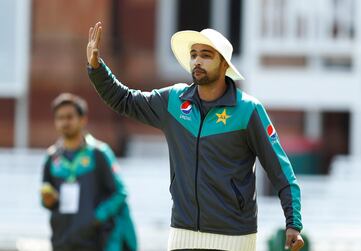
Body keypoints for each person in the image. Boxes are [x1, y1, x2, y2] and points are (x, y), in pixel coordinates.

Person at [86, 22, 304, 251]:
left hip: (235, 238)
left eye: (206, 55)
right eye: (193, 55)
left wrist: (293, 224)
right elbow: (125, 100)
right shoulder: (173, 100)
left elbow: (281, 172)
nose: (197, 61)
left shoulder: (248, 110)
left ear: (224, 64)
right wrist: (97, 68)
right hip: (182, 234)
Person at [41, 93, 137, 251]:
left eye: (69, 117)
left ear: (82, 119)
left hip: (96, 241)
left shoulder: (99, 153)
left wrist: (95, 218)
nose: (64, 122)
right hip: (62, 240)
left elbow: (120, 193)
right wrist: (47, 200)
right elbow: (46, 200)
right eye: (60, 118)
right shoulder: (52, 157)